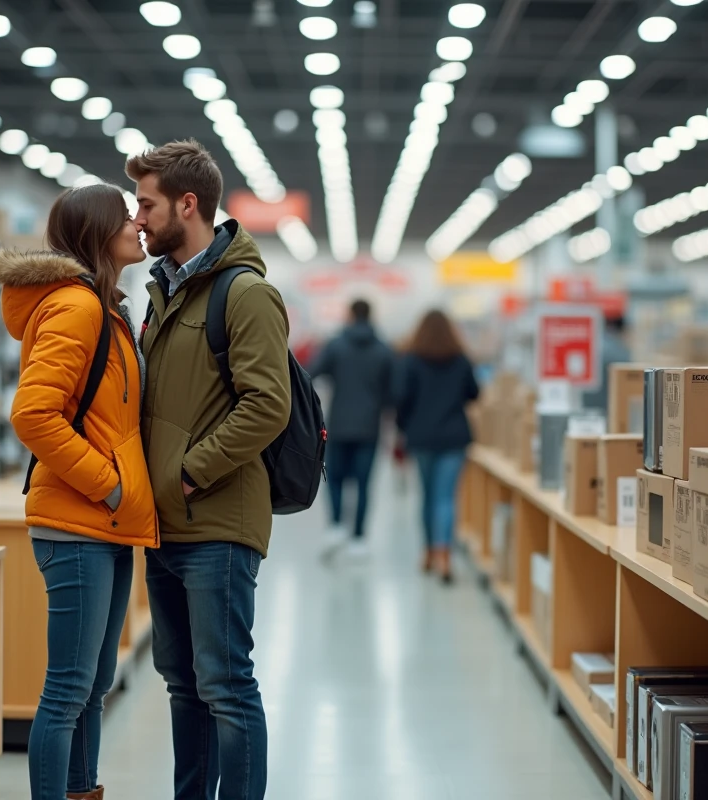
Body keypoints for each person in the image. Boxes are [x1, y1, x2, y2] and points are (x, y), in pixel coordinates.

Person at [128, 139, 291, 800]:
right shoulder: (162, 292)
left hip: (217, 522)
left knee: (225, 683)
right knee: (181, 682)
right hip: (164, 525)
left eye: (146, 203)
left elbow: (268, 404)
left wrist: (189, 474)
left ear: (186, 205)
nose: (136, 218)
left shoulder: (244, 293)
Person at [0, 183, 158, 800]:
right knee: (67, 689)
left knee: (93, 683)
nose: (138, 225)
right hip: (78, 523)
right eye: (126, 218)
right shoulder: (77, 307)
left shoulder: (100, 304)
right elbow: (33, 414)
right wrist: (108, 485)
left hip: (102, 525)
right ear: (97, 232)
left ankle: (82, 790)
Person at [395, 309, 480, 584]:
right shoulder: (461, 360)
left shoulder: (411, 360)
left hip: (422, 437)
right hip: (454, 437)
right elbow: (474, 393)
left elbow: (401, 398)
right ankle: (445, 556)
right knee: (446, 498)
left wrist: (403, 428)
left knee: (428, 496)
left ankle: (428, 552)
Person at [310, 298, 394, 557]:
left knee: (333, 478)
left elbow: (310, 372)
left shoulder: (336, 345)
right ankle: (358, 538)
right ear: (371, 315)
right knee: (363, 483)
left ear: (349, 315)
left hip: (339, 424)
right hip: (370, 426)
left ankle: (336, 526)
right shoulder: (384, 350)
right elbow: (393, 392)